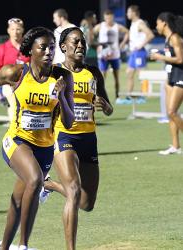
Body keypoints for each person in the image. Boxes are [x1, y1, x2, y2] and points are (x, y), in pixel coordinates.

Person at [0, 27, 74, 250]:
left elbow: (70, 122)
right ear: (31, 50)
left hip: (44, 148)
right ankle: (23, 245)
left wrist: (61, 96)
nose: (48, 52)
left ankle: (4, 246)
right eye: (43, 47)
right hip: (16, 141)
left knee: (19, 197)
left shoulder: (63, 77)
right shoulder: (16, 73)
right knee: (35, 180)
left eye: (52, 48)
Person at [39, 27, 113, 250]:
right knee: (73, 191)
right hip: (64, 135)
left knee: (86, 203)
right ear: (63, 47)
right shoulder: (53, 72)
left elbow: (108, 109)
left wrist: (106, 106)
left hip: (89, 139)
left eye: (83, 42)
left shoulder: (94, 72)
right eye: (75, 42)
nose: (81, 46)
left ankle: (48, 185)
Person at [150, 12, 183, 155]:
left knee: (172, 111)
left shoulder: (175, 38)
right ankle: (175, 146)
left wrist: (159, 57)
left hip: (181, 77)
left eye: (157, 23)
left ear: (164, 23)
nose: (156, 26)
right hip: (171, 78)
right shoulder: (167, 38)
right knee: (170, 114)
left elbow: (180, 59)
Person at [0, 18, 29, 122]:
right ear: (8, 30)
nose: (15, 32)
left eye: (18, 29)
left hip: (27, 84)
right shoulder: (2, 49)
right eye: (12, 29)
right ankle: (14, 129)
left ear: (22, 30)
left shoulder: (29, 48)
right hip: (8, 85)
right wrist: (8, 82)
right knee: (14, 107)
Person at [119, 5, 154, 104]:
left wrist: (140, 46)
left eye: (128, 12)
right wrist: (123, 43)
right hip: (133, 53)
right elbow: (131, 36)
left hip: (139, 52)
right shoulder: (133, 24)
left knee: (141, 75)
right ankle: (129, 97)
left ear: (134, 13)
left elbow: (150, 35)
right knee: (129, 73)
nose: (127, 14)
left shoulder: (140, 23)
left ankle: (143, 96)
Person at [93, 9, 129, 100]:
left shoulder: (117, 26)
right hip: (103, 56)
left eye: (110, 18)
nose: (108, 20)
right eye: (106, 18)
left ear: (113, 17)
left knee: (116, 78)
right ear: (104, 18)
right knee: (101, 77)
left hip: (115, 56)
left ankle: (117, 96)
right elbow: (91, 34)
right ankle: (100, 97)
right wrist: (96, 46)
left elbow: (127, 32)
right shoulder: (100, 26)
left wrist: (123, 43)